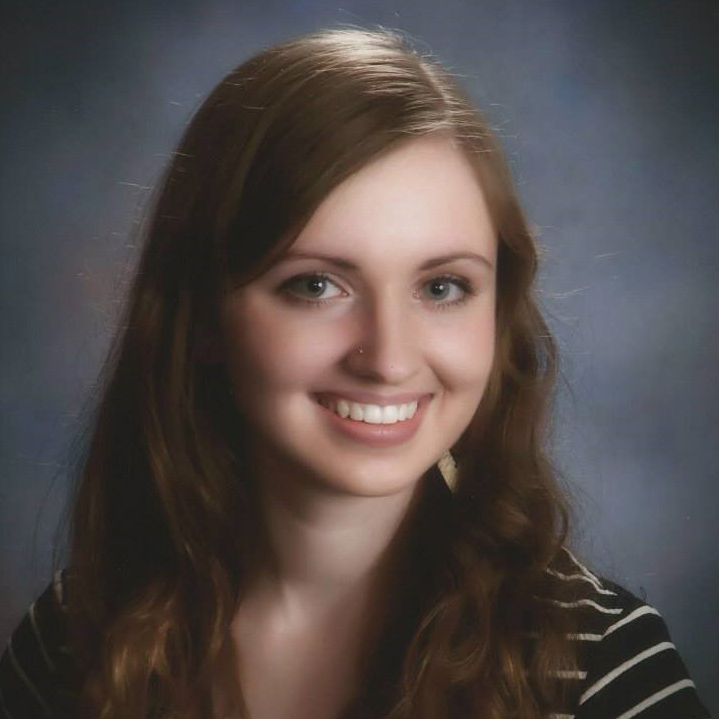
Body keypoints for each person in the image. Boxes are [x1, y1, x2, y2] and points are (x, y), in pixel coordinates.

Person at [0, 26, 709, 719]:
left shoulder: (604, 670)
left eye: (441, 287)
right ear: (204, 315)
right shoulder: (72, 638)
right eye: (316, 285)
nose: (389, 358)